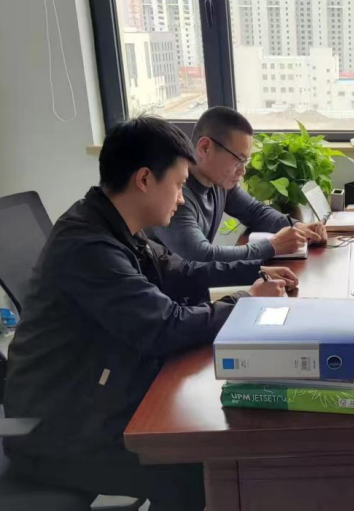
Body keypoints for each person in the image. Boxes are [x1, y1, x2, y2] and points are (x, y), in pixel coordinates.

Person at [3, 117, 297, 510]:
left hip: (97, 394)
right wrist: (247, 300)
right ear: (144, 179)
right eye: (177, 185)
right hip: (59, 429)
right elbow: (164, 327)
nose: (182, 199)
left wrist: (256, 272)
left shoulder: (112, 223)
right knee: (200, 465)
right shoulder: (87, 246)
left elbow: (182, 271)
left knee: (203, 431)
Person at [150, 106, 327, 261]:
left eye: (245, 161)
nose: (242, 171)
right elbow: (201, 256)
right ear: (205, 147)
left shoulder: (220, 183)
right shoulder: (175, 195)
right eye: (238, 160)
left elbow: (255, 212)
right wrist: (272, 246)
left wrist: (297, 227)